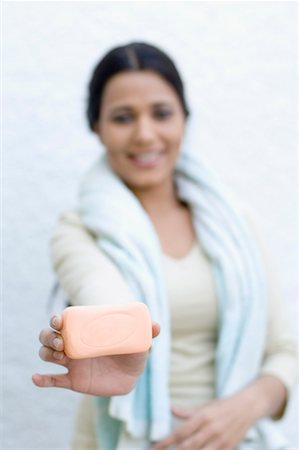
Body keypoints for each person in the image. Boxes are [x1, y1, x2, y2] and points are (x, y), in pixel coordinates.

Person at [32, 42, 298, 450]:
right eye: (123, 117)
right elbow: (103, 294)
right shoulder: (79, 228)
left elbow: (286, 351)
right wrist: (119, 340)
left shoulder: (234, 224)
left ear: (184, 119)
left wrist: (244, 408)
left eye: (161, 113)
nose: (145, 134)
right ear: (96, 127)